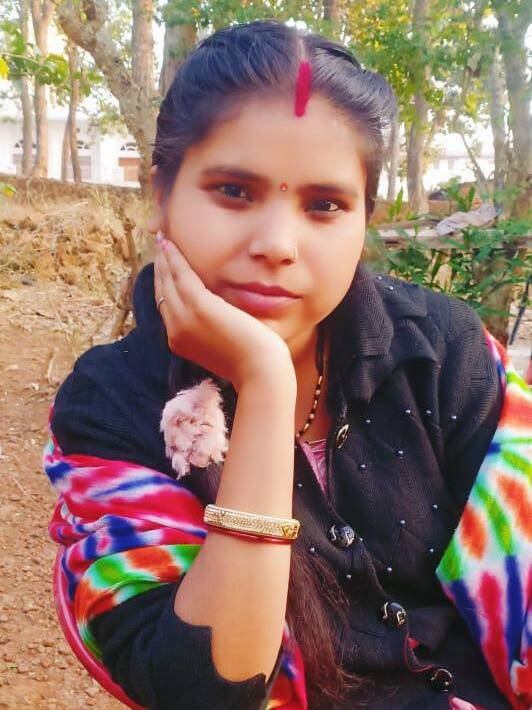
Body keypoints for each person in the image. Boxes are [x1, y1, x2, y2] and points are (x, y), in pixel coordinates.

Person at [44, 20, 530, 710]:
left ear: (364, 220)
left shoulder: (442, 353)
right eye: (233, 191)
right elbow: (203, 690)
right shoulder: (112, 403)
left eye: (325, 205)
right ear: (161, 195)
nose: (277, 243)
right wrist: (265, 385)